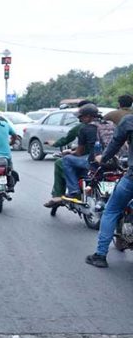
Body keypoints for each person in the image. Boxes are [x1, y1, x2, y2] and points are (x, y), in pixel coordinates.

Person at [86, 114, 133, 268]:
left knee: (111, 210)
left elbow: (115, 143)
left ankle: (100, 255)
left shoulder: (128, 120)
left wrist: (104, 158)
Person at [43, 100, 94, 208]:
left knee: (61, 162)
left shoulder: (83, 128)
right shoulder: (107, 124)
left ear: (87, 115)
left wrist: (60, 146)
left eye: (81, 115)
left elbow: (69, 141)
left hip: (88, 159)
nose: (79, 118)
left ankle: (65, 193)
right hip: (106, 159)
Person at [60, 104, 100, 201]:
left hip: (94, 162)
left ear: (88, 116)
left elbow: (78, 152)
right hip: (114, 162)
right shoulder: (110, 124)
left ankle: (74, 191)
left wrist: (69, 152)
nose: (80, 120)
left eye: (81, 117)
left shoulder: (85, 129)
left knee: (66, 160)